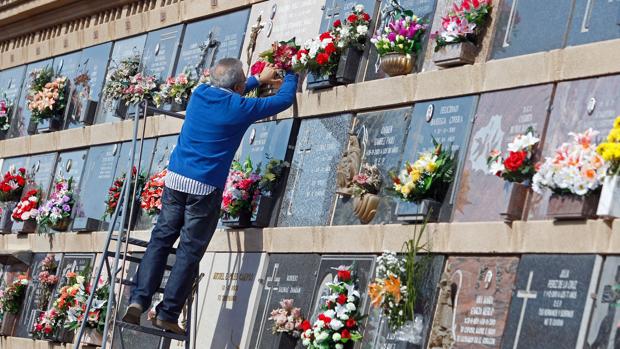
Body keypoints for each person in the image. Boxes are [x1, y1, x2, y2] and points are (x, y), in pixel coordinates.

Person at [122, 58, 298, 334]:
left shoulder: (199, 93)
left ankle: (138, 300)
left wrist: (256, 80)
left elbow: (229, 85)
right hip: (203, 188)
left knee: (160, 239)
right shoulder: (240, 107)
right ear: (239, 86)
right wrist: (291, 75)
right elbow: (283, 101)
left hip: (176, 180)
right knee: (189, 250)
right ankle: (167, 313)